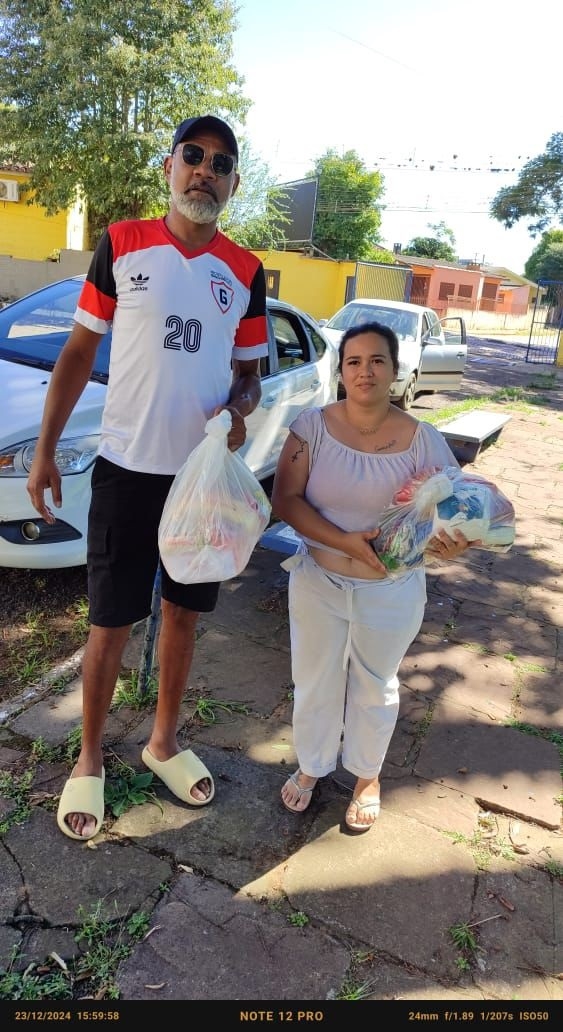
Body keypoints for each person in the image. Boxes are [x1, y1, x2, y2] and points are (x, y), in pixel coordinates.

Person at [27, 115, 268, 841]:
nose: (204, 171)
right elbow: (75, 354)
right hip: (126, 472)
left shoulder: (246, 271)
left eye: (220, 163)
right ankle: (91, 756)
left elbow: (249, 378)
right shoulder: (122, 243)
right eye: (192, 156)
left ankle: (162, 741)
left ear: (232, 183)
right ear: (169, 167)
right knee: (109, 623)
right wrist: (43, 451)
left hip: (198, 484)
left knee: (183, 617)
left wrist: (237, 410)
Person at [271, 321, 474, 833]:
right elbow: (286, 501)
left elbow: (458, 509)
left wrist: (456, 542)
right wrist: (344, 543)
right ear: (341, 372)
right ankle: (312, 764)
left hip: (392, 588)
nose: (366, 371)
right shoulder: (310, 429)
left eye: (377, 360)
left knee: (375, 683)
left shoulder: (422, 440)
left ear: (395, 369)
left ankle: (366, 776)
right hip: (319, 581)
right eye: (355, 361)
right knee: (314, 679)